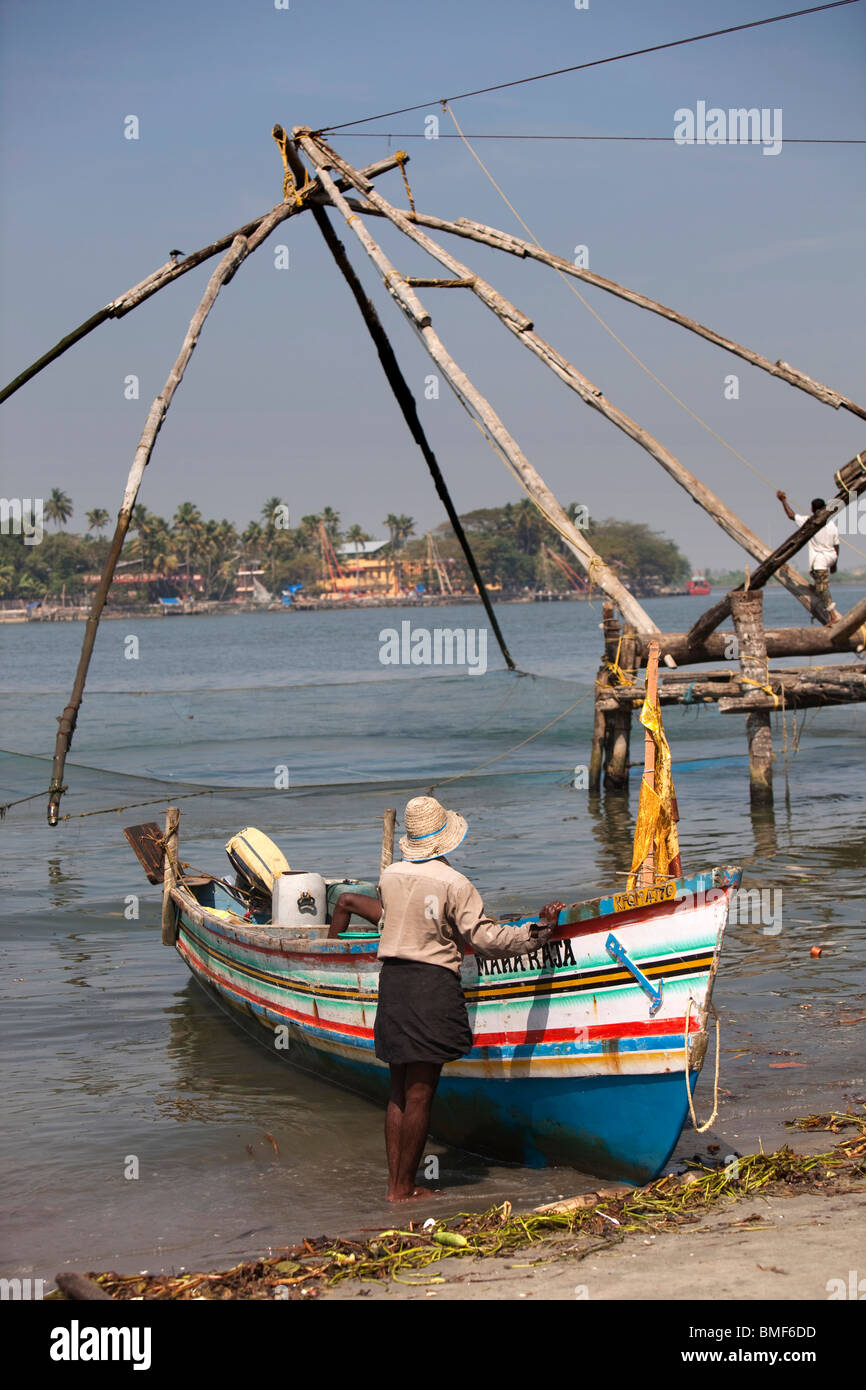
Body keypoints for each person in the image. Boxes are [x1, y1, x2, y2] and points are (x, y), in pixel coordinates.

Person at [374, 795, 565, 1201]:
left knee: (398, 1088)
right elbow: (483, 938)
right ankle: (405, 1189)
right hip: (429, 984)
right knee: (421, 1089)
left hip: (393, 983)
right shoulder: (454, 883)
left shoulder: (389, 876)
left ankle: (395, 1186)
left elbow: (388, 924)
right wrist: (538, 930)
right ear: (445, 841)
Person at [776, 490, 840, 623]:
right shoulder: (832, 524)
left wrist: (783, 501)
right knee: (815, 575)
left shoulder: (810, 521)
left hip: (821, 560)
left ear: (812, 509)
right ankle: (817, 588)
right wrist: (834, 564)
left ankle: (833, 616)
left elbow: (791, 515)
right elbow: (836, 546)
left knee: (823, 587)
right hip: (831, 556)